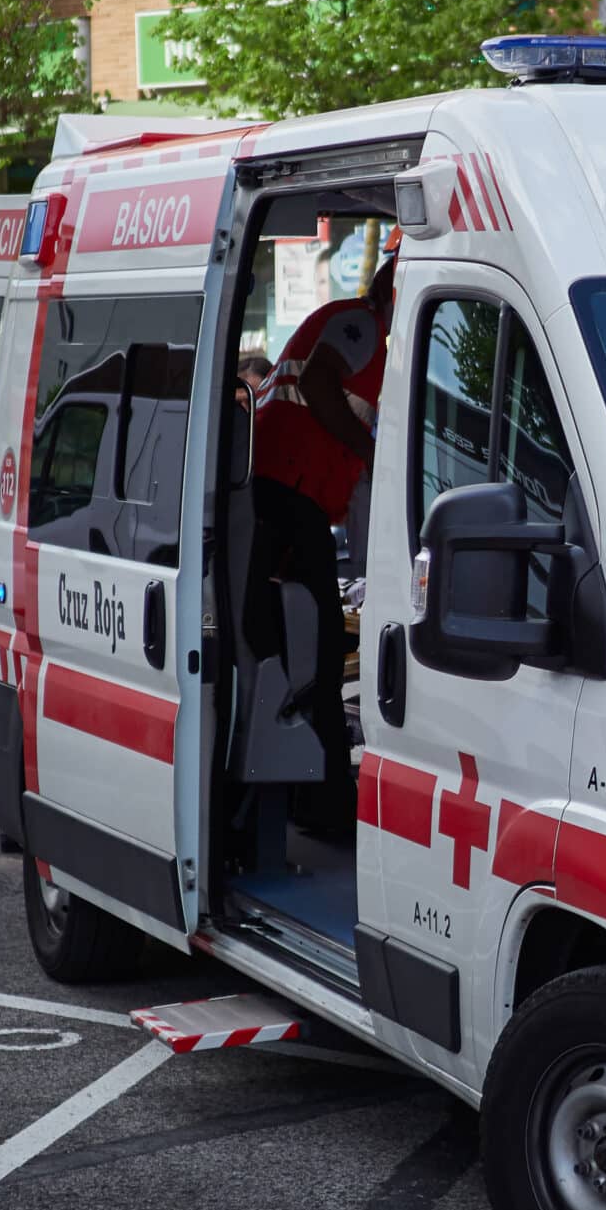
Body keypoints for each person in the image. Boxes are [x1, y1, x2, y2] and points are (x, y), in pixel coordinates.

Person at [246, 253, 395, 838]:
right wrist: (371, 450)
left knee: (297, 643)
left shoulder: (367, 338)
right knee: (323, 648)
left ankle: (310, 794)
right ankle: (326, 805)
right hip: (288, 494)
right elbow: (317, 384)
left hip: (286, 496)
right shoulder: (362, 326)